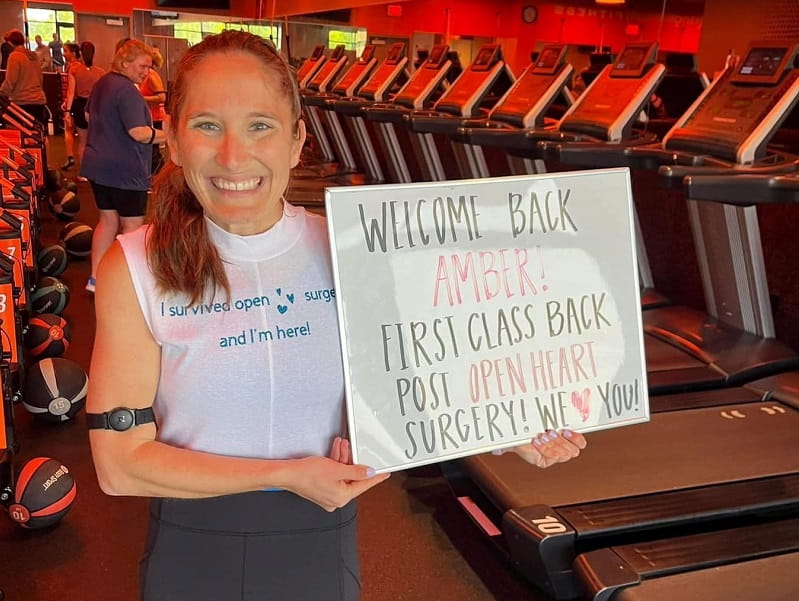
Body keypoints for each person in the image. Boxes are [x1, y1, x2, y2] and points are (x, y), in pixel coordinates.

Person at [86, 30, 587, 601]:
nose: (232, 156)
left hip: (320, 548)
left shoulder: (353, 252)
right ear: (172, 140)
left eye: (259, 126)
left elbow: (417, 389)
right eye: (206, 126)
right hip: (193, 548)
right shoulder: (136, 266)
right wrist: (282, 475)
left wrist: (505, 425)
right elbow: (120, 465)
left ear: (297, 140)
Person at [79, 39, 162, 293]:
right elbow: (138, 132)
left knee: (107, 221)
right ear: (125, 63)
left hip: (98, 166)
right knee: (132, 227)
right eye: (143, 66)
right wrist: (173, 136)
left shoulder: (102, 83)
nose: (146, 72)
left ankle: (96, 279)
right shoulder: (127, 91)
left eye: (149, 67)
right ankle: (131, 285)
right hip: (124, 171)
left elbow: (88, 116)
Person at [64, 41, 104, 176]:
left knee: (82, 141)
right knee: (96, 141)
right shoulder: (100, 72)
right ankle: (96, 170)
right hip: (96, 106)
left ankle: (83, 173)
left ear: (80, 53)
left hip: (81, 106)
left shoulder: (74, 70)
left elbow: (70, 92)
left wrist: (67, 112)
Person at [0, 29, 48, 131]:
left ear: (9, 43)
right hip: (38, 101)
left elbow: (10, 81)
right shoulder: (34, 56)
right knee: (39, 134)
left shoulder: (14, 56)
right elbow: (40, 78)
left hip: (21, 102)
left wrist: (2, 93)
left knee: (17, 134)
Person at [139, 47, 166, 174]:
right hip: (149, 117)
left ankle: (163, 181)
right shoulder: (146, 75)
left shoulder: (152, 75)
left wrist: (140, 98)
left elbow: (162, 97)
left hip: (155, 117)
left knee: (153, 153)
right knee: (150, 151)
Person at [60, 42, 81, 170]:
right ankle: (70, 158)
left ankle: (71, 158)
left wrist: (68, 106)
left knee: (70, 131)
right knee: (71, 131)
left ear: (73, 53)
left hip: (73, 103)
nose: (64, 53)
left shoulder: (75, 68)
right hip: (71, 102)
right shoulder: (71, 66)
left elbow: (72, 90)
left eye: (66, 51)